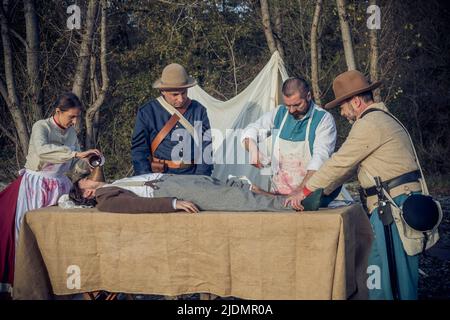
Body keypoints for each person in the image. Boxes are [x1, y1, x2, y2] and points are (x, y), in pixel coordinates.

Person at [285, 70, 423, 300]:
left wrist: (305, 191)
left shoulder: (369, 124)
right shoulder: (379, 120)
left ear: (356, 102)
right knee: (378, 273)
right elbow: (345, 170)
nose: (341, 111)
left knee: (397, 281)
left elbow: (339, 164)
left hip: (394, 209)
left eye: (342, 105)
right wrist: (315, 198)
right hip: (388, 208)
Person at [0, 92, 101, 294]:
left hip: (59, 185)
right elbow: (43, 150)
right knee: (30, 233)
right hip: (36, 184)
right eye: (71, 116)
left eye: (77, 117)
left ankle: (53, 282)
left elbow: (73, 162)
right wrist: (74, 153)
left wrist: (88, 159)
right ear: (58, 112)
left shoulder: (71, 132)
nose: (74, 121)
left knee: (55, 233)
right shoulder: (41, 126)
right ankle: (23, 284)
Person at [241, 77, 338, 197]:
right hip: (278, 192)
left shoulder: (323, 120)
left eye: (297, 105)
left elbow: (320, 158)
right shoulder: (279, 113)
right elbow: (251, 130)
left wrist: (301, 191)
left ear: (308, 96)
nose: (291, 110)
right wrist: (253, 149)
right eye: (288, 105)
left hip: (309, 194)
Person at [69, 172, 294, 214]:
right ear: (87, 193)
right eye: (87, 180)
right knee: (231, 199)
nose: (92, 178)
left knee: (228, 185)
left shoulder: (111, 185)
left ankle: (285, 198)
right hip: (168, 190)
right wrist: (173, 203)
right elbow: (137, 206)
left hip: (171, 179)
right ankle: (287, 206)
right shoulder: (104, 200)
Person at [131, 63, 213, 176]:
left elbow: (206, 147)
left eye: (183, 93)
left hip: (192, 175)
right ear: (163, 91)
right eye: (175, 94)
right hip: (159, 176)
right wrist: (145, 177)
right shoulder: (147, 112)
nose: (180, 99)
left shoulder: (199, 110)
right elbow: (139, 149)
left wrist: (201, 178)